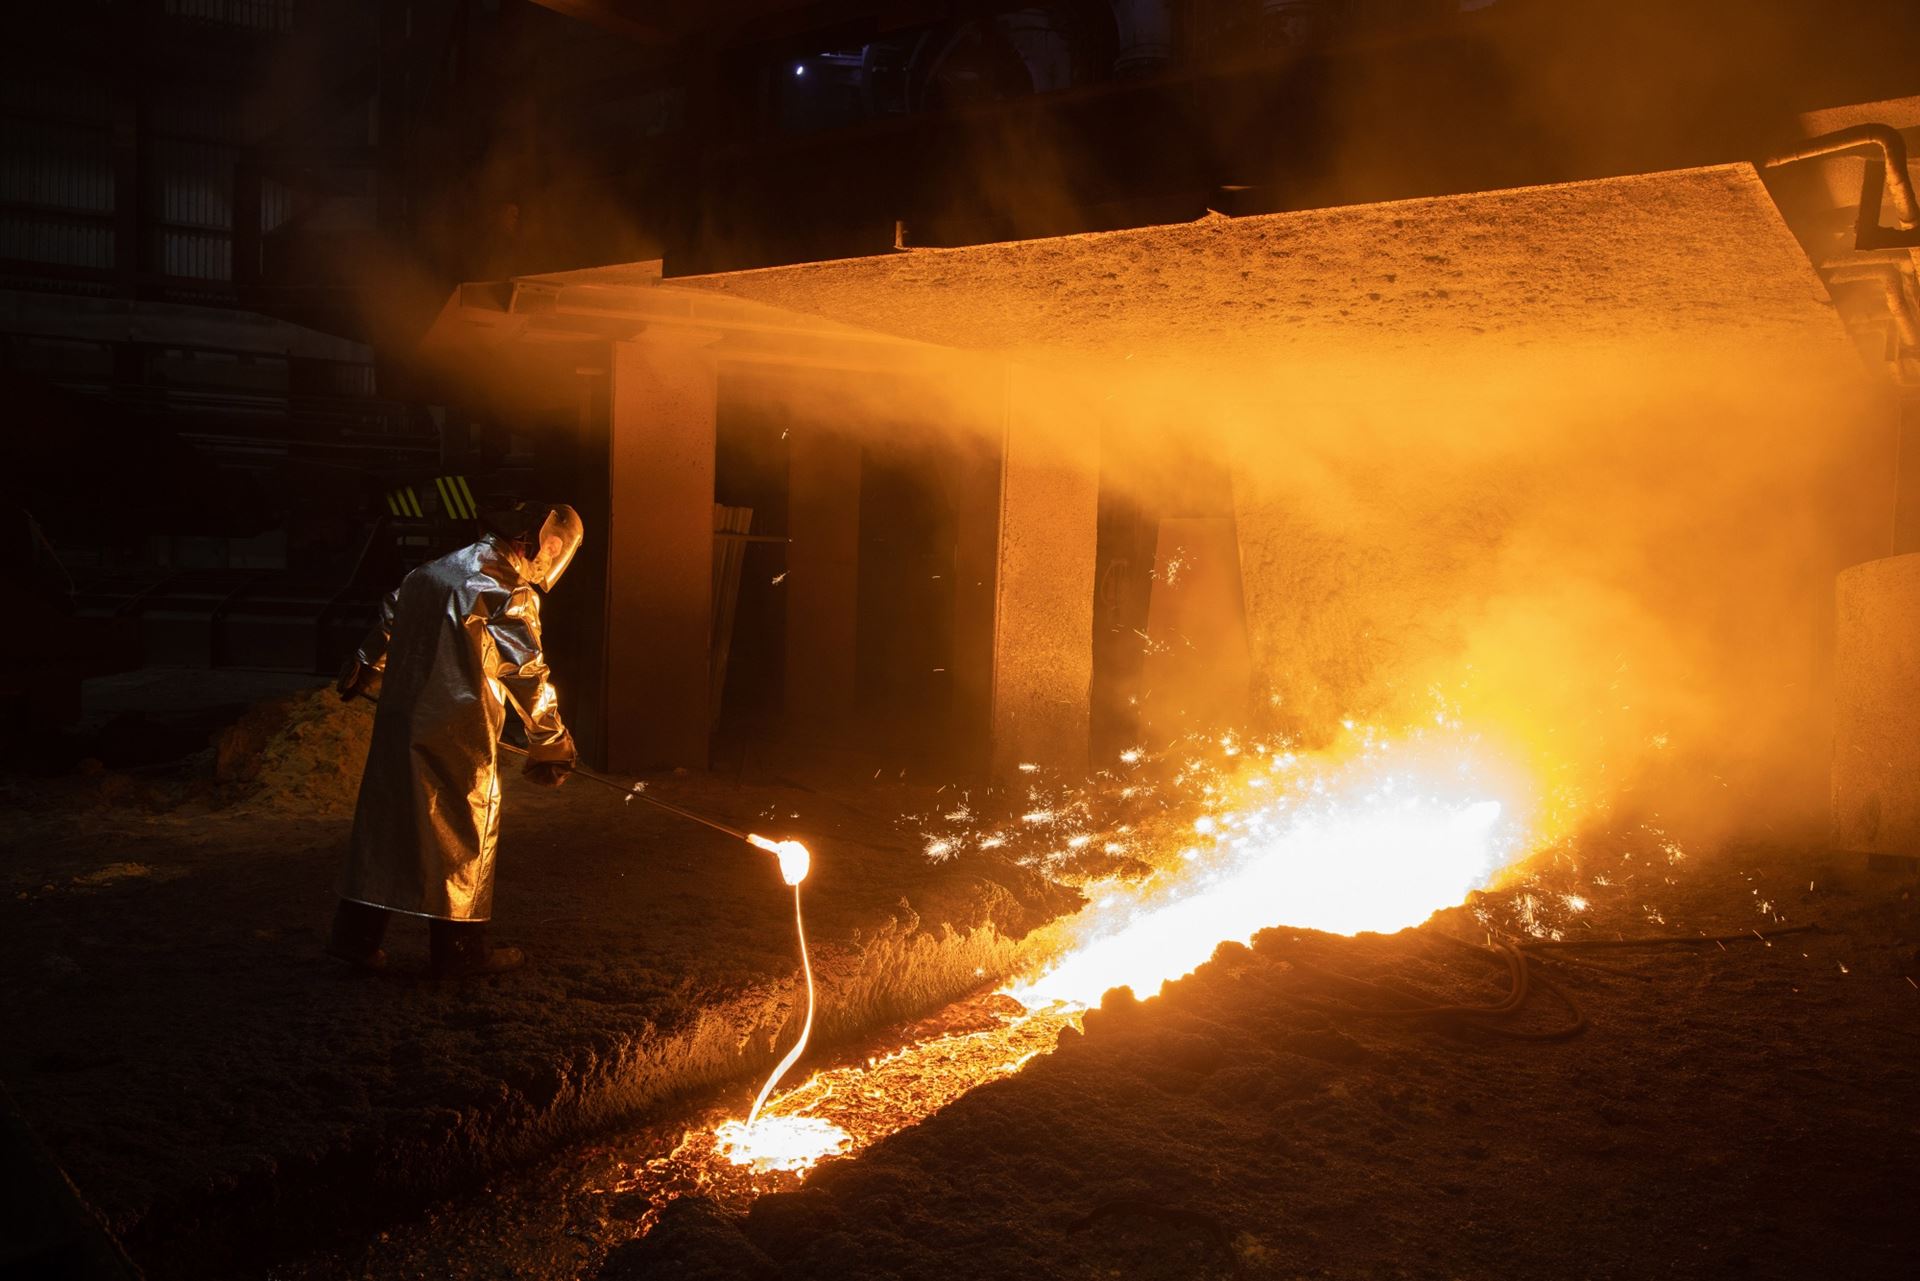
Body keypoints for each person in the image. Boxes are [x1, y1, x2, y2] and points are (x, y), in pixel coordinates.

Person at [327, 501, 583, 976]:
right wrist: (549, 739)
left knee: (387, 823)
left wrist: (365, 664)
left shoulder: (432, 572)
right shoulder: (508, 590)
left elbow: (391, 617)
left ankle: (354, 938)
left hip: (401, 720)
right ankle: (461, 952)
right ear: (529, 541)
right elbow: (526, 672)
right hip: (459, 732)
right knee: (462, 830)